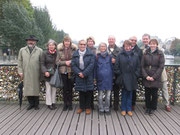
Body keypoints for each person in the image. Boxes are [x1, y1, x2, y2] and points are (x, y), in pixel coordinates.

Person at [142, 34, 171, 112]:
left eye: (146, 39)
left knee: (163, 88)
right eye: (144, 39)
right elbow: (143, 64)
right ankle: (148, 105)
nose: (152, 45)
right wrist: (146, 75)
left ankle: (166, 104)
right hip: (148, 73)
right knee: (148, 91)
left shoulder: (160, 51)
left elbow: (161, 65)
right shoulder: (144, 50)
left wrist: (154, 76)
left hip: (159, 73)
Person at [115, 40, 140, 116]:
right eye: (126, 46)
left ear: (131, 47)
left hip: (132, 77)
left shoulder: (135, 55)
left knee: (130, 93)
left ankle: (129, 109)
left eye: (129, 46)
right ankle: (123, 109)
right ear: (124, 47)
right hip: (124, 77)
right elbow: (116, 67)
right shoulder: (120, 55)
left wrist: (135, 75)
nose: (128, 48)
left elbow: (138, 67)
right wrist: (121, 75)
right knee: (124, 93)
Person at [18, 35, 43, 110]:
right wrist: (20, 71)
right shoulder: (22, 50)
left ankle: (36, 104)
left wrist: (41, 73)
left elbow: (42, 62)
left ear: (35, 42)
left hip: (36, 72)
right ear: (27, 41)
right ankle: (31, 103)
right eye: (29, 40)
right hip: (26, 72)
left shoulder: (40, 50)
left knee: (36, 88)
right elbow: (19, 61)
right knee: (27, 88)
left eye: (32, 41)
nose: (31, 42)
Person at [71, 39, 95, 114]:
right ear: (78, 45)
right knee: (81, 92)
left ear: (86, 45)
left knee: (88, 92)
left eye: (84, 44)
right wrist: (79, 73)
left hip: (88, 75)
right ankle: (81, 107)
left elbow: (92, 65)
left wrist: (84, 73)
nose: (82, 46)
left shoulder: (91, 54)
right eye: (81, 44)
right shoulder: (75, 54)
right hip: (79, 76)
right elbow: (73, 65)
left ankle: (88, 107)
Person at [56, 36, 77, 111]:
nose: (67, 43)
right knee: (64, 89)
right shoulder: (59, 50)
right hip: (63, 71)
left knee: (70, 88)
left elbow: (76, 59)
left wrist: (71, 62)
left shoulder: (74, 50)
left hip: (71, 71)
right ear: (63, 42)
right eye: (65, 41)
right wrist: (65, 62)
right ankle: (65, 104)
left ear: (70, 42)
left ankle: (70, 104)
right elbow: (57, 62)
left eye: (68, 41)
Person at [95, 42, 113, 114]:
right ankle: (101, 108)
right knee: (100, 95)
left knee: (108, 95)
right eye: (101, 46)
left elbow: (111, 67)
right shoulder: (96, 57)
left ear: (106, 47)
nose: (102, 48)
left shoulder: (109, 56)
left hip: (108, 78)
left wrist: (112, 76)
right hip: (100, 78)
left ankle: (107, 108)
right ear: (99, 48)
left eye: (104, 46)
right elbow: (95, 68)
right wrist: (94, 78)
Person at [41, 39, 57, 110]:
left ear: (55, 46)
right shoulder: (44, 53)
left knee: (54, 89)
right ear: (48, 46)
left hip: (55, 73)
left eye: (53, 45)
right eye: (50, 45)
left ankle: (53, 102)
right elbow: (42, 64)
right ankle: (49, 103)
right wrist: (45, 71)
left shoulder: (57, 53)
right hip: (47, 73)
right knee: (48, 89)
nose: (51, 46)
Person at [107, 35, 121, 111]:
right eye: (110, 39)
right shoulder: (105, 49)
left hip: (116, 73)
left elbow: (122, 61)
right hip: (108, 73)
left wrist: (116, 61)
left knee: (116, 90)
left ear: (115, 40)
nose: (111, 40)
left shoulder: (119, 49)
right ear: (108, 40)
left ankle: (116, 105)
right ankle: (108, 104)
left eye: (112, 39)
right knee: (108, 90)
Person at [129, 36, 142, 110]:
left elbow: (140, 63)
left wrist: (137, 73)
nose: (133, 41)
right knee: (125, 89)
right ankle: (126, 104)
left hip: (134, 74)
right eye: (132, 40)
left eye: (135, 40)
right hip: (126, 74)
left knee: (133, 90)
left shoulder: (139, 51)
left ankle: (132, 104)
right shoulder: (124, 48)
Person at [87, 36, 97, 110]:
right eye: (89, 41)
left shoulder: (97, 51)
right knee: (85, 89)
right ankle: (86, 104)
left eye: (91, 41)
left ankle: (91, 104)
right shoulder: (84, 50)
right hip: (85, 71)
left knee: (91, 89)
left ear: (93, 43)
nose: (90, 42)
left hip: (93, 71)